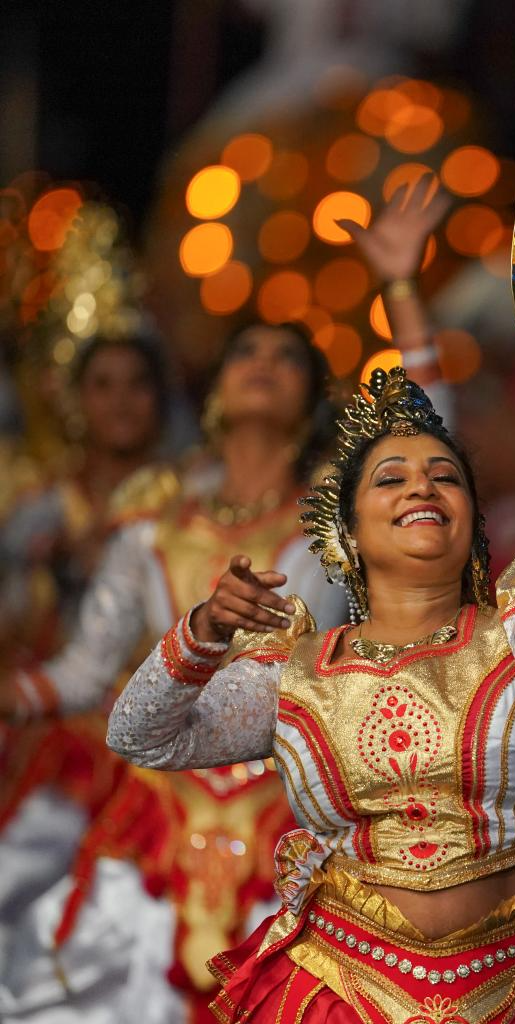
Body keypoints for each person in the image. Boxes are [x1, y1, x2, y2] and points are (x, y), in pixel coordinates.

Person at [108, 234, 515, 1023]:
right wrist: (199, 633)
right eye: (390, 478)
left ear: (471, 521)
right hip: (336, 991)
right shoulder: (293, 674)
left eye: (445, 476)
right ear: (349, 533)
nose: (420, 487)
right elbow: (139, 736)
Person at [0, 181, 448, 1024]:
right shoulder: (150, 519)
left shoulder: (350, 517)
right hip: (155, 815)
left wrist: (399, 288)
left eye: (286, 358)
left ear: (311, 399)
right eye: (246, 353)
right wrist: (16, 694)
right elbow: (89, 669)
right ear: (214, 393)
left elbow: (432, 445)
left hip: (295, 814)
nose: (263, 365)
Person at [0, 332, 166, 963]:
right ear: (76, 401)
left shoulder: (188, 503)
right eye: (102, 385)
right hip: (51, 736)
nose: (120, 402)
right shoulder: (38, 510)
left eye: (137, 384)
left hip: (157, 737)